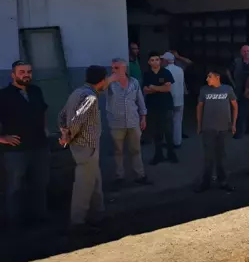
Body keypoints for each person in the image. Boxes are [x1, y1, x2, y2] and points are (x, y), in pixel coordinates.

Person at [58, 66, 109, 233]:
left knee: (95, 182)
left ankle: (98, 215)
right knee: (84, 185)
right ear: (101, 80)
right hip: (86, 147)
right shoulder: (90, 97)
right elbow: (77, 119)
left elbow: (62, 115)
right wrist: (68, 135)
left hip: (83, 146)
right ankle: (78, 222)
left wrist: (64, 131)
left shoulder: (77, 92)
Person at [0, 61, 49, 228]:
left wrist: (45, 130)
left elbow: (43, 112)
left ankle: (39, 220)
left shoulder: (36, 91)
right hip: (16, 149)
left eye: (28, 71)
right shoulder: (4, 95)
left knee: (40, 184)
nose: (26, 74)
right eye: (21, 72)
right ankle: (14, 223)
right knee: (14, 187)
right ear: (13, 75)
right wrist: (2, 138)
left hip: (39, 145)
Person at [106, 58, 150, 188]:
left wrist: (143, 117)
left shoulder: (134, 82)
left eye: (117, 68)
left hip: (133, 121)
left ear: (124, 68)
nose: (113, 70)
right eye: (112, 68)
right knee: (118, 151)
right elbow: (99, 90)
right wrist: (109, 79)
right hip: (116, 122)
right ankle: (120, 176)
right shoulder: (110, 83)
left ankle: (140, 175)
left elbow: (140, 100)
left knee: (135, 149)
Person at [196, 70, 237, 192]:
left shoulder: (227, 89)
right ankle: (206, 182)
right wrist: (199, 125)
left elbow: (235, 106)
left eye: (210, 76)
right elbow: (199, 108)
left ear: (217, 77)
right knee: (208, 157)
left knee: (222, 156)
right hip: (208, 128)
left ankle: (223, 181)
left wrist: (234, 124)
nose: (207, 79)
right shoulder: (204, 90)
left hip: (224, 128)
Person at [142, 51, 178, 165]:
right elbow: (145, 90)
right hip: (152, 106)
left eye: (157, 59)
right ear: (149, 62)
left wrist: (153, 87)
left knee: (168, 131)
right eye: (152, 60)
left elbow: (167, 89)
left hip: (166, 105)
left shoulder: (165, 72)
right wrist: (159, 88)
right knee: (156, 132)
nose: (155, 62)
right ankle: (158, 155)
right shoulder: (147, 74)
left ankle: (171, 154)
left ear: (160, 61)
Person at [227, 45, 249, 139]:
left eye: (247, 51)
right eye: (244, 51)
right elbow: (228, 71)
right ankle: (239, 132)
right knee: (240, 112)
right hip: (240, 90)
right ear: (241, 53)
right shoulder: (237, 62)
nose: (246, 53)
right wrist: (233, 83)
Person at [162, 52, 186, 148]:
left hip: (168, 99)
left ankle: (168, 142)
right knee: (178, 121)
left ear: (166, 61)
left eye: (163, 60)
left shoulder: (164, 70)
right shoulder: (180, 70)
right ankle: (177, 142)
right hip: (180, 99)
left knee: (167, 122)